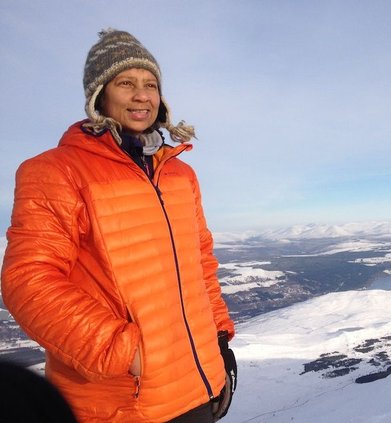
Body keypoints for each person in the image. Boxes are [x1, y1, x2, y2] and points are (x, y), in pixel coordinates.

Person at [1, 29, 237, 422]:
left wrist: (219, 341)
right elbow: (28, 279)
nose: (141, 95)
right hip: (122, 402)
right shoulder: (57, 171)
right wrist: (123, 352)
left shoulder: (180, 175)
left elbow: (200, 265)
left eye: (150, 84)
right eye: (126, 83)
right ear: (99, 96)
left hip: (198, 387)